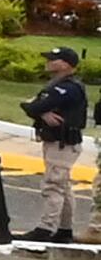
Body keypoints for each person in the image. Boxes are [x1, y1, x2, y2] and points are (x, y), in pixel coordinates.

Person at [23, 44, 84, 243]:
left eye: (53, 59)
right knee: (63, 186)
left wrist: (38, 108)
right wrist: (40, 110)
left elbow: (36, 105)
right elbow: (30, 105)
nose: (48, 62)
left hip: (63, 143)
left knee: (53, 185)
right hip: (56, 141)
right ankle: (65, 229)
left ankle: (46, 227)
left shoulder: (67, 88)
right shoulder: (55, 85)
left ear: (66, 65)